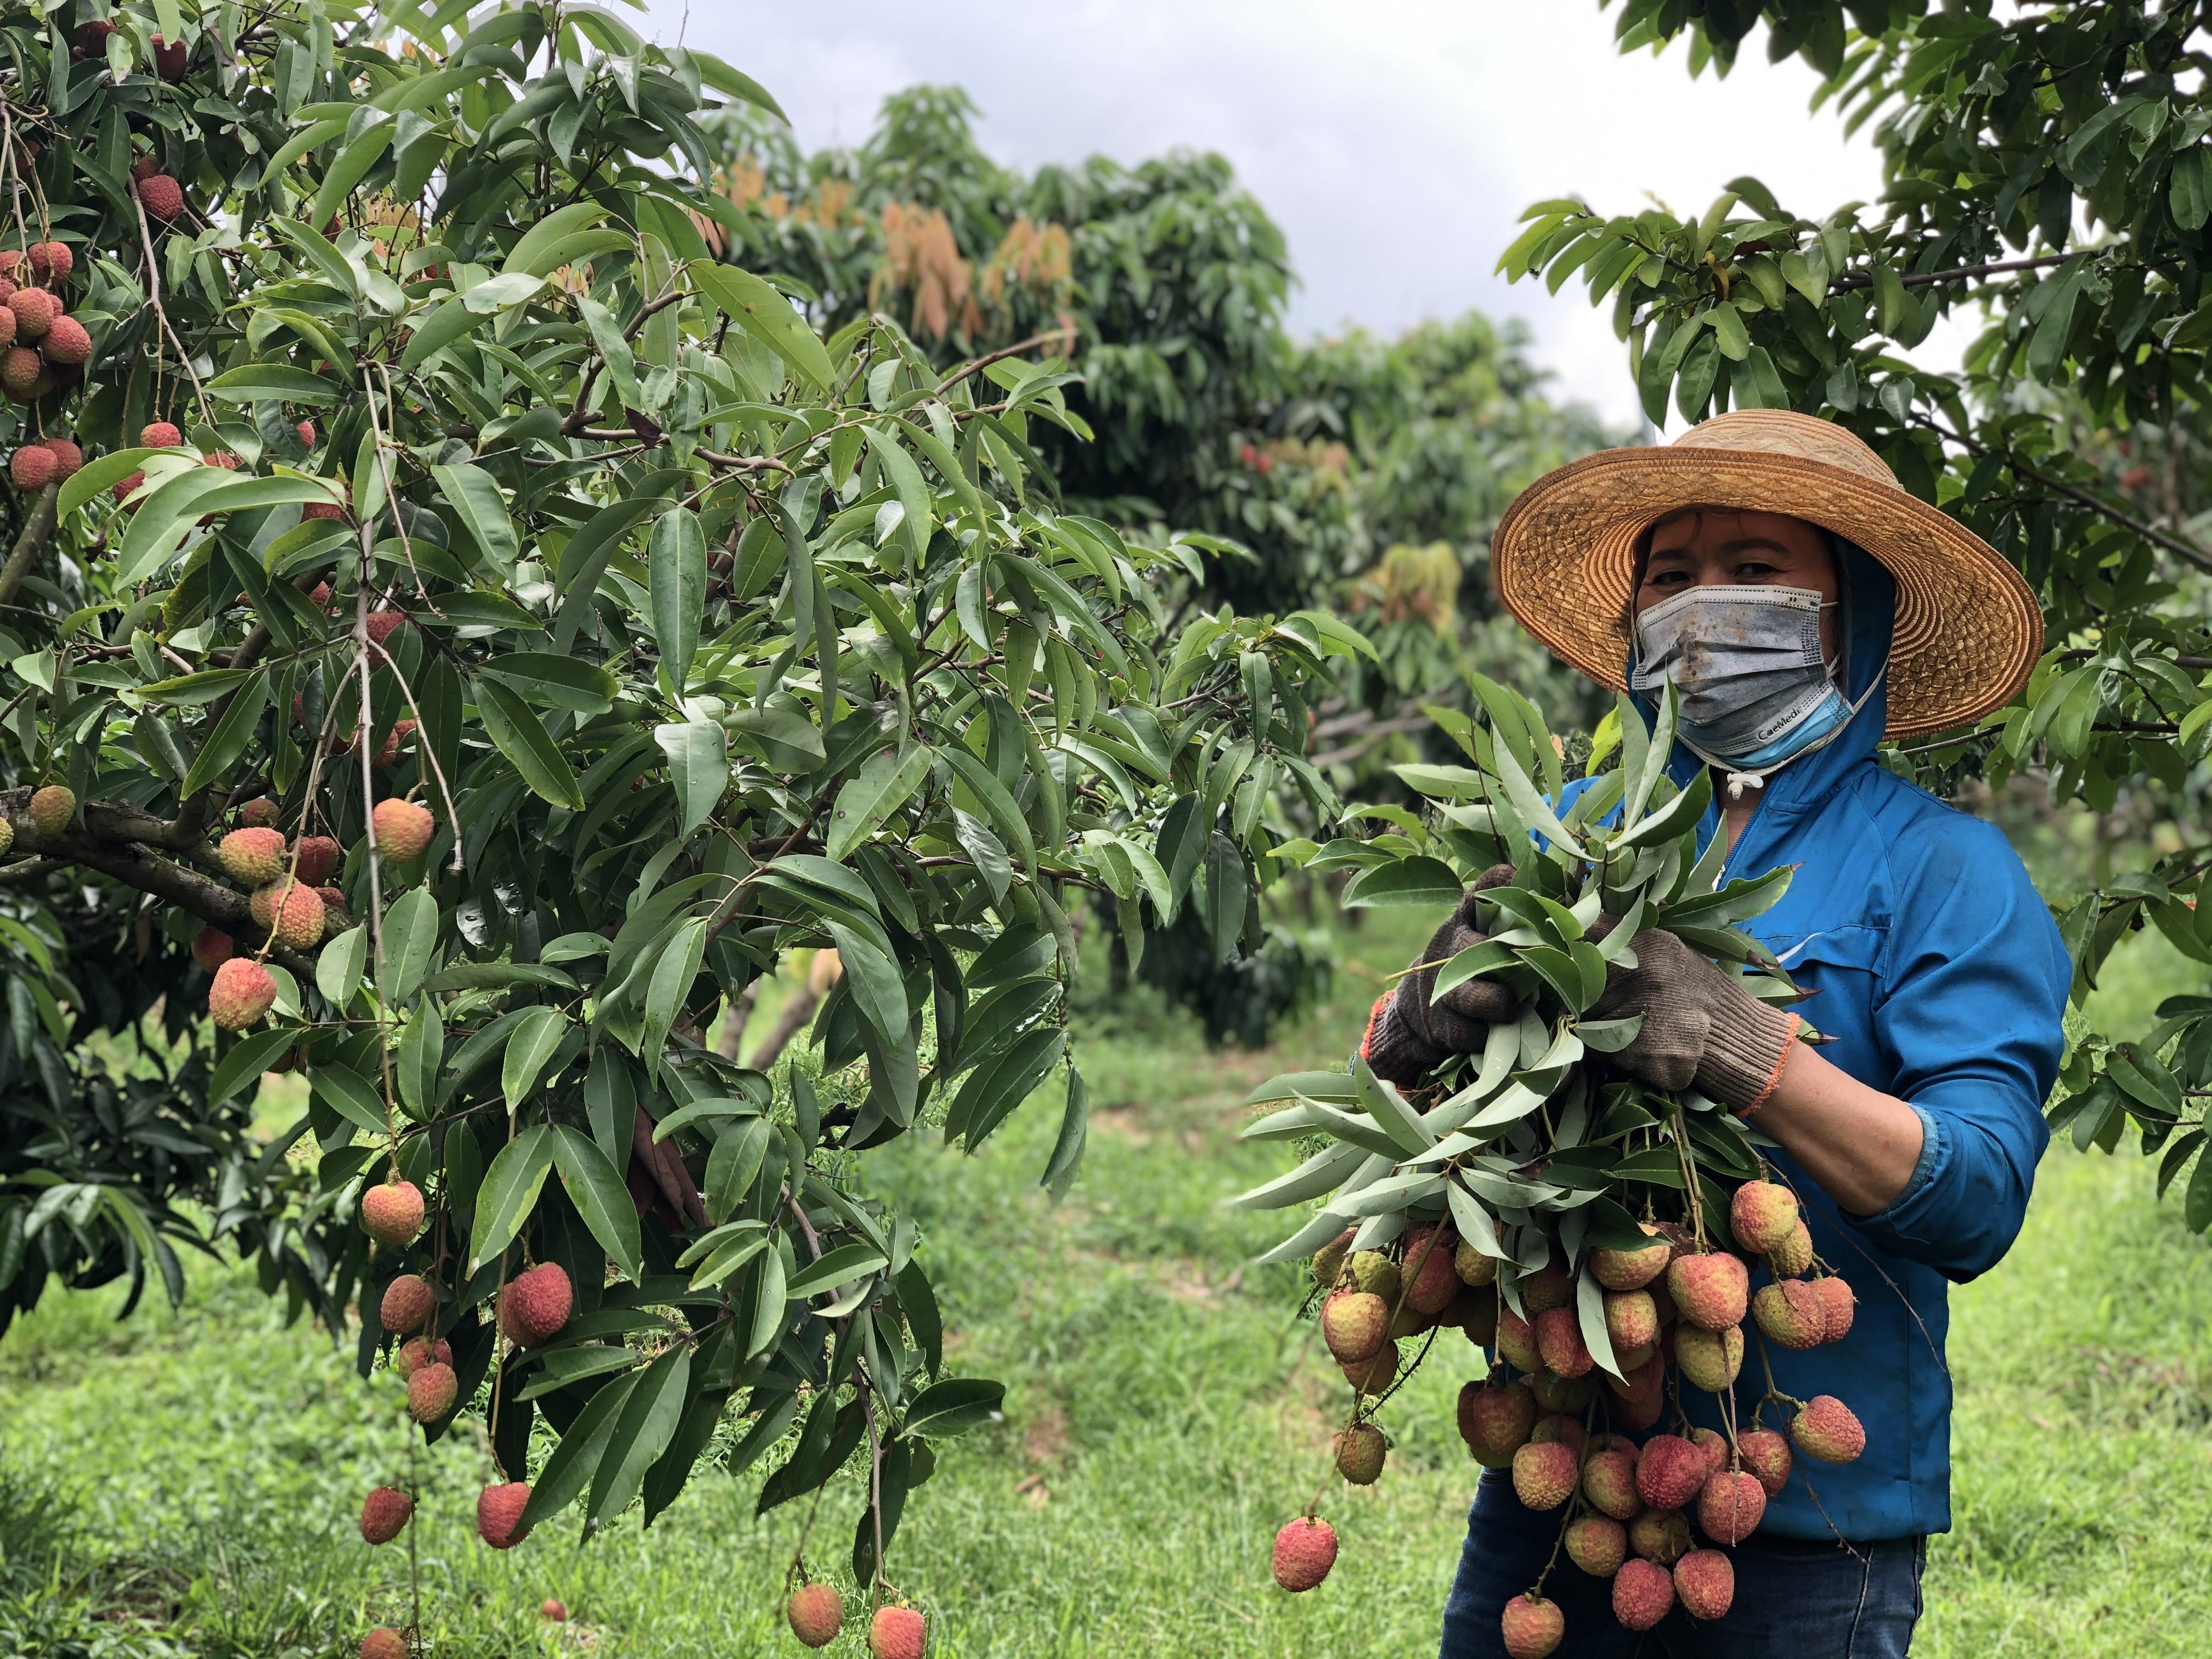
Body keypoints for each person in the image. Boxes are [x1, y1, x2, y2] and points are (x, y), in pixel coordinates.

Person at [1359, 411, 2068, 1658]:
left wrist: (1748, 1052)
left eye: (1753, 571)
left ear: (1848, 612)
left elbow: (1980, 1195)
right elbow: (1403, 1088)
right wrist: (1422, 1019)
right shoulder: (1575, 833)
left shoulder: (1948, 872)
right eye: (1671, 578)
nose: (1701, 611)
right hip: (1565, 1484)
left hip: (1803, 1516)